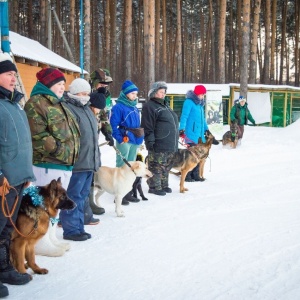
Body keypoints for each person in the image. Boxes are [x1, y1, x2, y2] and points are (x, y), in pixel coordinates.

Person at [0, 52, 36, 298]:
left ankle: (3, 268)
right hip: (3, 180)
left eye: (15, 74)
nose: (14, 78)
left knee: (5, 229)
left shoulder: (15, 105)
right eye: (8, 74)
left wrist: (26, 172)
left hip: (18, 178)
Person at [24, 67, 80, 190]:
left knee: (56, 209)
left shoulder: (60, 104)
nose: (62, 87)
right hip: (47, 166)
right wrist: (59, 150)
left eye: (63, 84)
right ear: (47, 84)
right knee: (45, 208)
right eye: (58, 84)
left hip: (64, 166)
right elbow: (37, 136)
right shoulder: (36, 103)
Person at [59, 78, 101, 241]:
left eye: (87, 93)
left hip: (89, 162)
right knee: (73, 196)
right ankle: (71, 230)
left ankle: (79, 226)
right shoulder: (69, 109)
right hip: (77, 163)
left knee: (83, 196)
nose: (85, 96)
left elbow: (92, 137)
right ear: (74, 93)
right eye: (82, 93)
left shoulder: (86, 109)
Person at [141, 81, 179, 196]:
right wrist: (150, 140)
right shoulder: (150, 106)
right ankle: (154, 186)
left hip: (170, 142)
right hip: (158, 141)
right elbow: (147, 125)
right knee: (156, 165)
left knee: (166, 165)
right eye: (160, 92)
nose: (163, 94)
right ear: (154, 93)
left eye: (164, 92)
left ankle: (163, 184)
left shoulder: (165, 106)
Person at [110, 80, 144, 204]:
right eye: (133, 93)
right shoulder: (118, 107)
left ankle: (127, 191)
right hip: (125, 139)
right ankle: (118, 194)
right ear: (125, 93)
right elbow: (113, 125)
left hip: (135, 139)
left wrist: (140, 139)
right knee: (121, 166)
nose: (135, 96)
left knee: (131, 166)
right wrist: (119, 138)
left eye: (136, 93)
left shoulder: (134, 107)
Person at [88, 68, 114, 214]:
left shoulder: (103, 98)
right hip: (83, 142)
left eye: (106, 85)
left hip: (94, 140)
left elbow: (103, 117)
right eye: (101, 84)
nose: (104, 87)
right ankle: (85, 202)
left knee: (94, 168)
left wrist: (108, 133)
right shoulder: (86, 96)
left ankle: (90, 200)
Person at [179, 85, 210, 182]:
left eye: (203, 95)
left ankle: (196, 175)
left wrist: (206, 129)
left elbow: (202, 119)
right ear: (196, 94)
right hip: (191, 132)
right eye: (201, 94)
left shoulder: (200, 104)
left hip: (199, 134)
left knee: (199, 155)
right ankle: (187, 175)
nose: (202, 96)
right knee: (191, 155)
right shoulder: (189, 102)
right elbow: (184, 116)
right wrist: (181, 128)